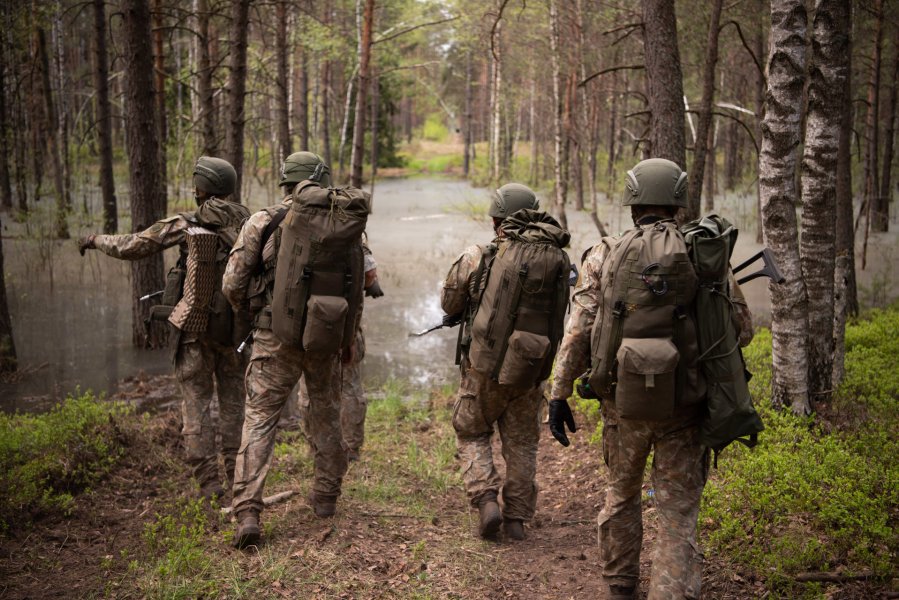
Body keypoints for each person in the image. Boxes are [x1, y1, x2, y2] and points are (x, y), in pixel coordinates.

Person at [547, 158, 754, 600]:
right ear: (678, 201)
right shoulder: (703, 252)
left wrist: (558, 394)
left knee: (620, 495)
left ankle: (620, 584)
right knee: (678, 514)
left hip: (624, 407)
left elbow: (579, 330)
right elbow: (743, 330)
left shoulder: (605, 251)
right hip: (686, 407)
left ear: (632, 200)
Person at [78, 156, 250, 500]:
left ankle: (210, 486)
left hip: (195, 333)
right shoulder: (250, 223)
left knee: (196, 406)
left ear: (202, 188)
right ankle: (237, 480)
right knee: (235, 408)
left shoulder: (185, 223)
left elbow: (133, 246)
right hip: (235, 335)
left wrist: (95, 239)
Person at [222, 151, 368, 549]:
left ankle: (249, 510)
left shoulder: (263, 220)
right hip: (326, 339)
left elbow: (232, 284)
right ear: (321, 181)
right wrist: (348, 337)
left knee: (260, 420)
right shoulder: (344, 225)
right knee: (325, 415)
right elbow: (356, 286)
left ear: (286, 182)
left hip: (274, 338)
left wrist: (255, 308)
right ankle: (324, 498)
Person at [441, 183, 571, 541]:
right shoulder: (555, 257)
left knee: (471, 430)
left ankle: (486, 499)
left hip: (484, 368)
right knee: (523, 443)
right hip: (531, 369)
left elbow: (449, 302)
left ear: (496, 218)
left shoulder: (479, 254)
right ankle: (516, 518)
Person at [296, 239, 383, 462]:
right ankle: (350, 449)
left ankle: (315, 447)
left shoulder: (297, 228)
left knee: (308, 388)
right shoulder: (350, 230)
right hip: (345, 325)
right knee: (349, 387)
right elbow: (370, 275)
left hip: (308, 325)